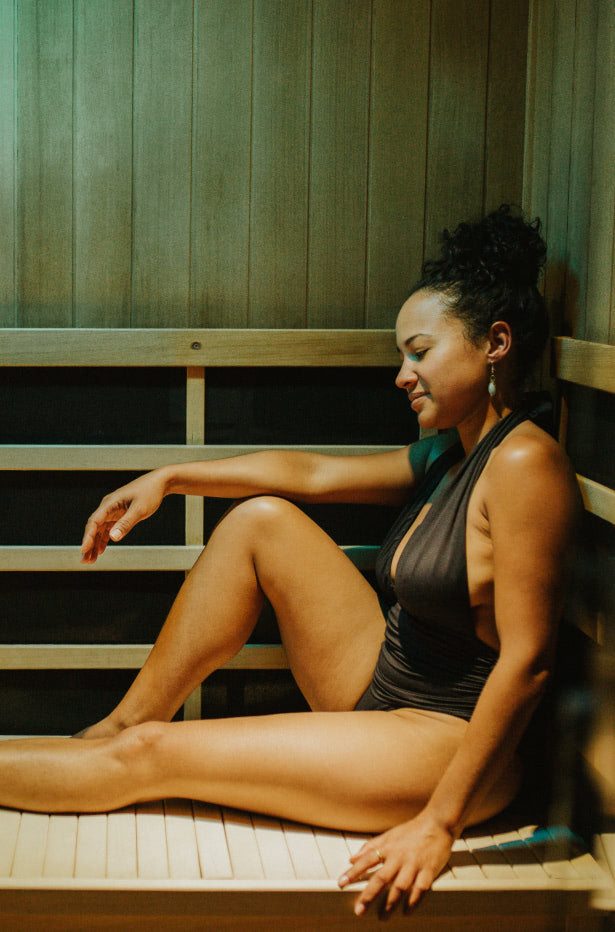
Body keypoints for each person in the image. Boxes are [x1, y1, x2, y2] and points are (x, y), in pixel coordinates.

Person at [0, 206, 579, 916]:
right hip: (379, 684)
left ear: (494, 343)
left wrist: (437, 823)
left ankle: (121, 751)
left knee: (154, 756)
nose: (402, 374)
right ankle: (115, 728)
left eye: (418, 353)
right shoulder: (446, 453)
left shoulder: (525, 463)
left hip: (441, 741)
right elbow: (308, 474)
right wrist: (171, 478)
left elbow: (530, 661)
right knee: (261, 520)